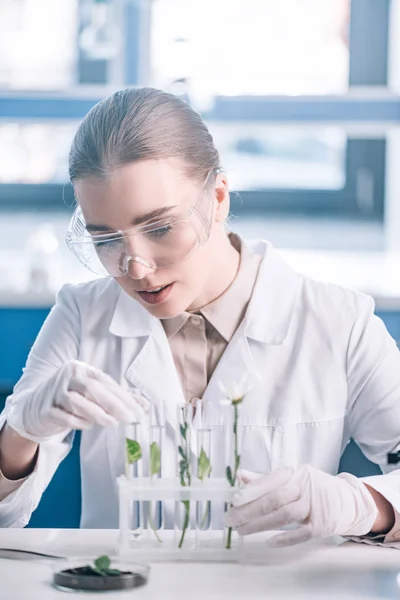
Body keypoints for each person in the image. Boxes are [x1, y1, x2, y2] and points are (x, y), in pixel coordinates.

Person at [0, 87, 399, 547]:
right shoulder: (81, 315)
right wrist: (19, 434)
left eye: (161, 228)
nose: (137, 267)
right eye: (106, 239)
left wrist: (364, 505)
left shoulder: (339, 323)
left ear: (218, 198)